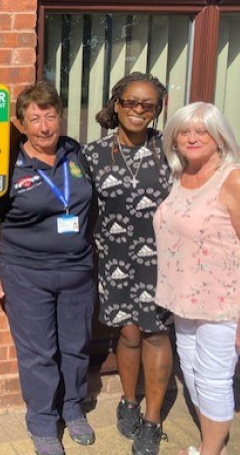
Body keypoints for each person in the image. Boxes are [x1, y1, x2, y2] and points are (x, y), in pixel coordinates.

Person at [0, 81, 96, 455]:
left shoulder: (75, 153)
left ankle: (73, 408)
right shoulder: (8, 163)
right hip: (26, 274)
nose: (45, 126)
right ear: (20, 123)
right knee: (39, 353)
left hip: (77, 269)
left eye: (51, 116)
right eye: (35, 118)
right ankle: (43, 423)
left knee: (76, 346)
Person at [154, 102, 240, 455]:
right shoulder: (180, 176)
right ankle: (210, 442)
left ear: (219, 137)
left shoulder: (234, 178)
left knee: (213, 379)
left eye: (201, 130)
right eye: (184, 131)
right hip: (185, 300)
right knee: (190, 369)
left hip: (224, 304)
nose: (192, 138)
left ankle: (210, 450)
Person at [79, 72, 173, 455]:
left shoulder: (171, 150)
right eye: (131, 102)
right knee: (129, 333)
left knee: (155, 334)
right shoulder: (94, 154)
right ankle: (128, 401)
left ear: (156, 112)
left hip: (161, 261)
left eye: (147, 105)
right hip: (114, 258)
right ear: (116, 104)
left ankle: (152, 420)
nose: (138, 110)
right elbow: (81, 208)